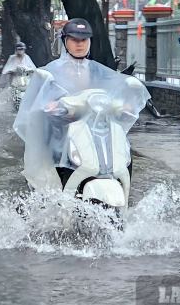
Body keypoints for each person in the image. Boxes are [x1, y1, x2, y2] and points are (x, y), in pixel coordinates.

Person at [13, 18, 150, 191]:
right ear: (65, 41)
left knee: (124, 153)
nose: (80, 44)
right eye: (74, 40)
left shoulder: (99, 71)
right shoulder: (50, 72)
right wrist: (50, 107)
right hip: (63, 133)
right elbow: (38, 103)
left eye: (84, 40)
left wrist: (124, 105)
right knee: (54, 157)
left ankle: (124, 199)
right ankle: (53, 199)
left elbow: (115, 88)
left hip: (94, 130)